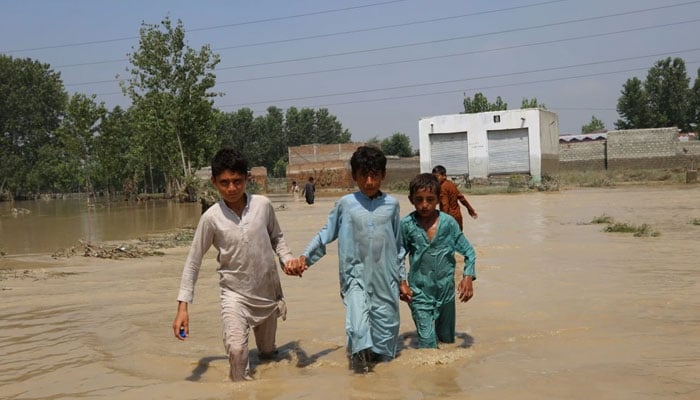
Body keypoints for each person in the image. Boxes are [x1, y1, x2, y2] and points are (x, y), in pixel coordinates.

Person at [172, 148, 299, 382]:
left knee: (268, 354)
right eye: (224, 182)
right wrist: (183, 308)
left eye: (237, 181)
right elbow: (193, 262)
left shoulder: (263, 205)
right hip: (234, 295)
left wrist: (288, 261)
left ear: (247, 179)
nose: (231, 188)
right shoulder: (211, 218)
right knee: (238, 352)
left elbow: (277, 238)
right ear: (214, 182)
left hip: (267, 294)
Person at [288, 146, 408, 373]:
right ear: (355, 176)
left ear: (383, 175)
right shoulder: (346, 204)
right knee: (358, 329)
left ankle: (381, 382)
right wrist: (305, 257)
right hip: (355, 276)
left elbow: (399, 245)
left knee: (386, 333)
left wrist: (402, 279)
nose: (370, 181)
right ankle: (360, 377)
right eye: (364, 175)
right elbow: (327, 233)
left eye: (375, 175)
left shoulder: (392, 205)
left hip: (385, 277)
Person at [400, 173, 476, 348]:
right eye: (419, 200)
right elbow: (398, 256)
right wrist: (401, 281)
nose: (424, 205)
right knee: (428, 346)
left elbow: (469, 252)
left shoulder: (448, 224)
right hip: (419, 293)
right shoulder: (407, 225)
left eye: (430, 199)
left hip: (446, 293)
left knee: (447, 342)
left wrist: (468, 276)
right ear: (411, 199)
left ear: (438, 200)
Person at [431, 165, 477, 231]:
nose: (435, 179)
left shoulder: (442, 188)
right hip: (457, 216)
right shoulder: (451, 184)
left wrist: (442, 221)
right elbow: (461, 198)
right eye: (433, 177)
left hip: (449, 218)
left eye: (437, 176)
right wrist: (470, 210)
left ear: (444, 176)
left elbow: (445, 205)